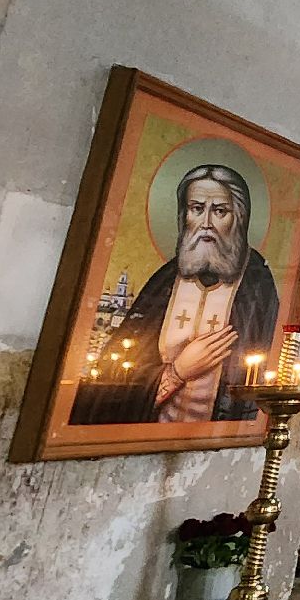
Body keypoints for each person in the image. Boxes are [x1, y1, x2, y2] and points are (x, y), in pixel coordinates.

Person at [71, 164, 279, 425]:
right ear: (185, 215)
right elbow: (112, 376)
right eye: (197, 209)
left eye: (220, 211)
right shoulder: (164, 281)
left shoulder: (257, 286)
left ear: (239, 217)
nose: (206, 224)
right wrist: (178, 372)